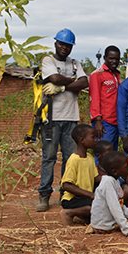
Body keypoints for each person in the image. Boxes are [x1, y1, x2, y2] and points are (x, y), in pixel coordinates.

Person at [36, 28, 88, 212]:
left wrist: (62, 85)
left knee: (69, 159)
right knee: (49, 157)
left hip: (71, 118)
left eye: (68, 45)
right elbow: (54, 77)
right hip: (51, 119)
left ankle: (65, 194)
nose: (64, 48)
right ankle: (44, 195)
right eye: (61, 44)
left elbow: (84, 82)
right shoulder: (48, 60)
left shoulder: (75, 63)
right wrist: (71, 82)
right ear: (55, 44)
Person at [90, 152, 128, 237]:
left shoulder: (114, 181)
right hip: (104, 227)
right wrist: (127, 230)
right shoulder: (108, 183)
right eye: (126, 166)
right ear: (115, 172)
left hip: (107, 223)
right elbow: (115, 208)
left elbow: (120, 205)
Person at [59, 124, 99, 226]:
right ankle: (68, 213)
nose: (95, 140)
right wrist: (90, 194)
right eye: (92, 137)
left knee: (100, 205)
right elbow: (66, 185)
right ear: (82, 140)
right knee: (95, 207)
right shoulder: (74, 160)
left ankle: (84, 217)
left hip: (84, 198)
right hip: (72, 199)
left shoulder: (89, 157)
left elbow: (96, 178)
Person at [89, 45, 121, 150]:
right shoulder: (97, 74)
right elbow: (94, 98)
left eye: (117, 59)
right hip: (104, 122)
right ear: (104, 58)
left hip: (116, 121)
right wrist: (97, 120)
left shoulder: (117, 74)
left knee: (113, 152)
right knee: (103, 152)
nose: (114, 61)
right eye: (111, 58)